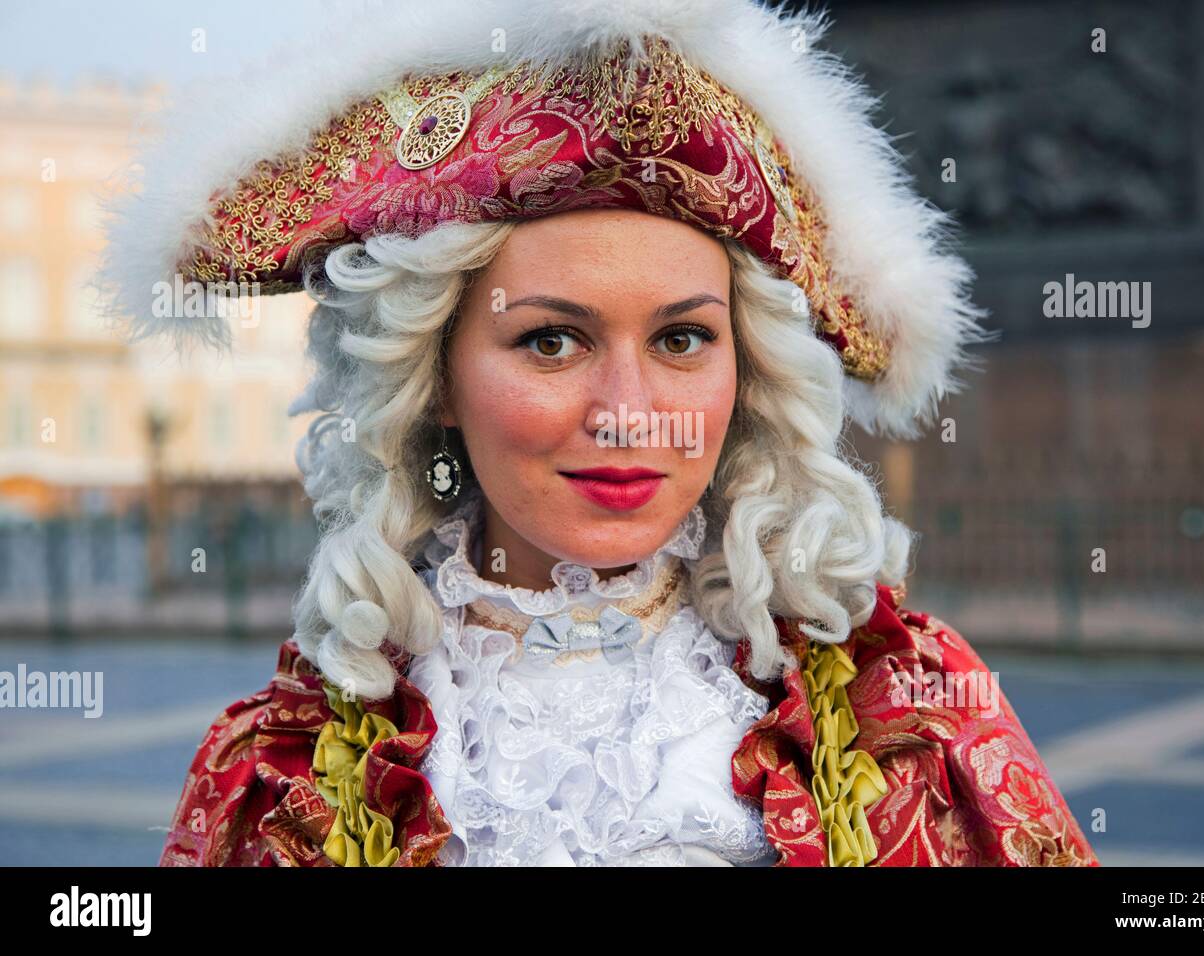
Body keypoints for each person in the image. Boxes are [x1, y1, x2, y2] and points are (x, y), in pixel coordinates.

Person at [97, 0, 1099, 867]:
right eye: (550, 339)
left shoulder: (905, 710)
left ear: (744, 366)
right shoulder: (290, 765)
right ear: (436, 376)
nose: (628, 407)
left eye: (680, 336)